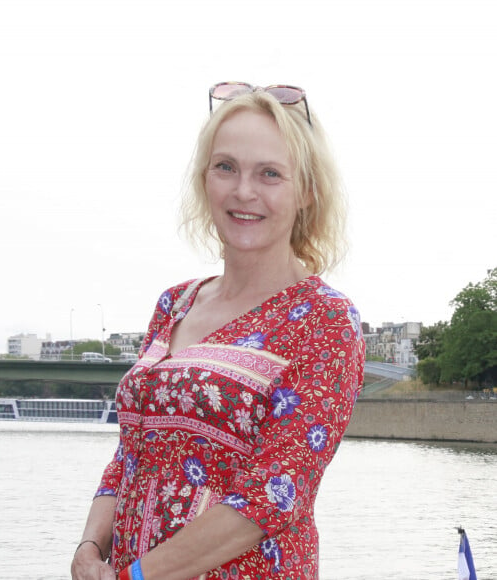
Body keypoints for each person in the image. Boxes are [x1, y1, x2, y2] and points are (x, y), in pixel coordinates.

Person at [71, 82, 366, 580]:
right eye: (225, 167)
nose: (243, 191)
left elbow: (276, 491)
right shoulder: (174, 303)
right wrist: (89, 549)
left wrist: (138, 575)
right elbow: (130, 453)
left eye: (270, 174)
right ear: (204, 179)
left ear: (307, 192)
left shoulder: (326, 320)